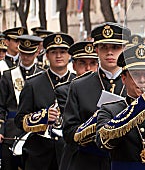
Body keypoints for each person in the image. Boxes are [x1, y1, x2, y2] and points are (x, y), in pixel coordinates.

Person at [62, 22, 130, 170]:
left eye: (115, 47)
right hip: (89, 161)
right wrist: (92, 126)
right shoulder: (79, 86)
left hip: (124, 161)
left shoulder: (135, 83)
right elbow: (68, 132)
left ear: (124, 49)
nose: (110, 53)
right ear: (96, 50)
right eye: (104, 47)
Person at [96, 44, 145, 169]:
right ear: (124, 78)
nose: (141, 80)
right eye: (135, 75)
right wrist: (140, 105)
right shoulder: (110, 109)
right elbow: (103, 142)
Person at [14, 33, 75, 170]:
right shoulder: (33, 84)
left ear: (69, 55)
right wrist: (41, 118)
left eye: (63, 52)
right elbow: (19, 119)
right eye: (54, 52)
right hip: (39, 154)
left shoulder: (78, 82)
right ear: (46, 55)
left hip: (69, 153)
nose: (58, 56)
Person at [0, 35, 44, 170]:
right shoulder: (8, 75)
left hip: (35, 129)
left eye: (30, 54)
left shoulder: (43, 75)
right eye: (23, 53)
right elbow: (1, 106)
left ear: (36, 52)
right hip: (11, 130)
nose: (26, 57)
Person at [55, 41, 99, 170]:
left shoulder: (105, 86)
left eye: (93, 63)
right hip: (79, 152)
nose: (88, 68)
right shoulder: (65, 90)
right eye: (82, 63)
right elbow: (72, 124)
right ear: (73, 66)